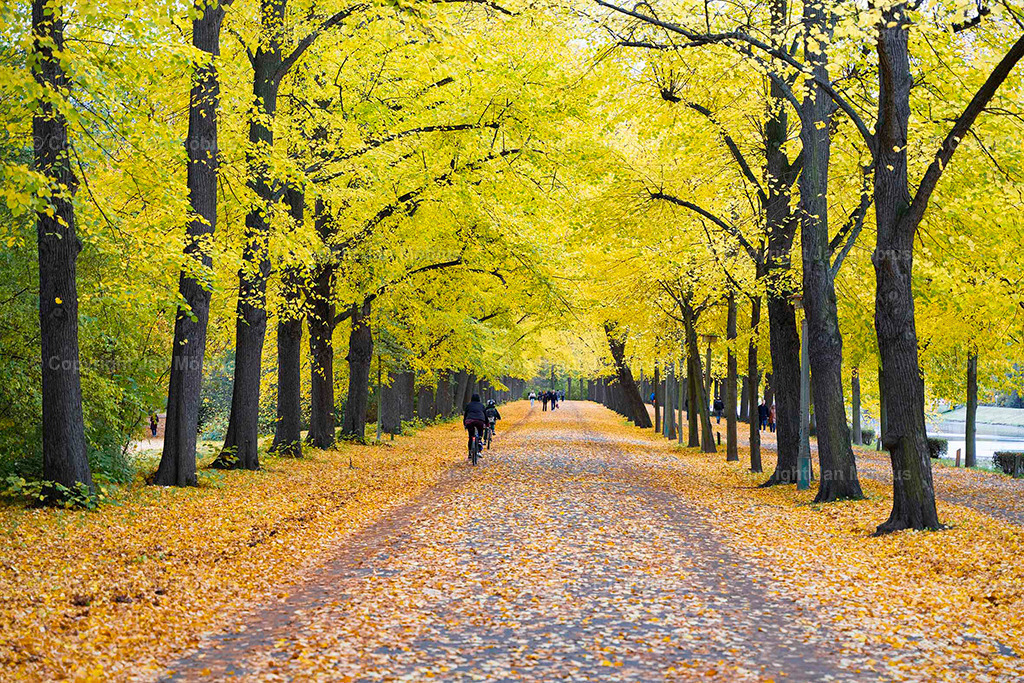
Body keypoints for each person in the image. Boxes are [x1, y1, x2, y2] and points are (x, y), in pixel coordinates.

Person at [463, 394, 488, 458]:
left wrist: (465, 424)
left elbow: (465, 415)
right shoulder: (481, 405)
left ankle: (470, 453)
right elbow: (485, 415)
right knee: (480, 431)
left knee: (471, 436)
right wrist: (487, 423)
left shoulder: (468, 405)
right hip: (480, 421)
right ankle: (479, 441)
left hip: (470, 421)